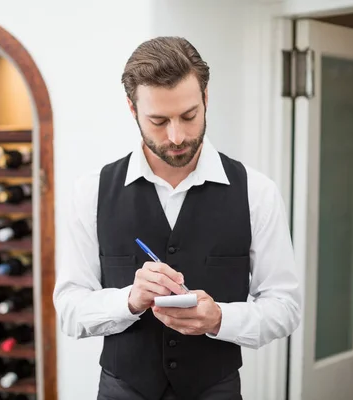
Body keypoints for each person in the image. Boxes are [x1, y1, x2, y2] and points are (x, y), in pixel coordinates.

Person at [52, 36, 301, 400]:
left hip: (215, 390)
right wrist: (130, 301)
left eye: (189, 116)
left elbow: (286, 307)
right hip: (122, 390)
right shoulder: (91, 192)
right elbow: (70, 311)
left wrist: (219, 319)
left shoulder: (257, 192)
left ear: (206, 99)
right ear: (132, 109)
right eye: (158, 121)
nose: (177, 136)